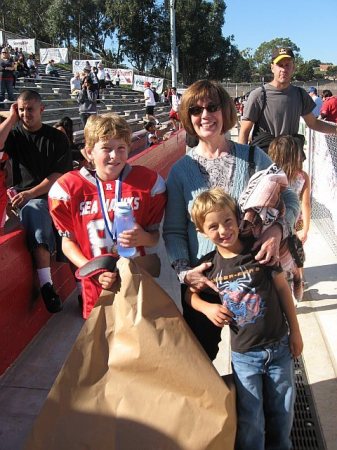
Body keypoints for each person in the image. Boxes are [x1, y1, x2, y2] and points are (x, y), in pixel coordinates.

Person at [163, 79, 299, 355]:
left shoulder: (252, 156)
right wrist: (185, 273)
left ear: (225, 110)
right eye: (195, 110)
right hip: (206, 277)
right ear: (187, 118)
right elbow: (174, 231)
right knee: (198, 358)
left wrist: (276, 232)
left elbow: (290, 198)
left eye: (212, 107)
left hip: (253, 269)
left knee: (266, 353)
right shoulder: (180, 171)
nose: (205, 116)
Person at [188, 187, 303, 450]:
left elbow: (283, 289)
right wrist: (207, 308)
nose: (223, 230)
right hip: (244, 357)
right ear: (202, 231)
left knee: (283, 413)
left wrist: (295, 332)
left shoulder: (259, 251)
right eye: (213, 226)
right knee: (251, 418)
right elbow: (191, 297)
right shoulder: (210, 266)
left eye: (228, 221)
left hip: (279, 347)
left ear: (238, 219)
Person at [48, 113, 167, 319]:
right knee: (102, 346)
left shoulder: (148, 182)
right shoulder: (68, 188)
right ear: (88, 152)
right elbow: (67, 243)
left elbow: (154, 237)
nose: (115, 155)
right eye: (106, 148)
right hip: (96, 285)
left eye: (121, 148)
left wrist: (143, 238)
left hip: (138, 280)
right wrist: (93, 270)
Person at [0, 91, 72, 313]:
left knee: (69, 228)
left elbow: (58, 175)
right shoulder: (15, 135)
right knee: (34, 212)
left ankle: (79, 286)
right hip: (27, 200)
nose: (25, 114)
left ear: (42, 109)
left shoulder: (57, 138)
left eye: (29, 109)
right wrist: (11, 119)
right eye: (21, 109)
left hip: (52, 196)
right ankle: (47, 285)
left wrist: (31, 192)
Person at [238, 47, 337, 152]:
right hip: (264, 161)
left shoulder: (300, 95)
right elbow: (244, 132)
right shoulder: (259, 95)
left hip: (291, 161)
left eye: (287, 65)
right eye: (280, 65)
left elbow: (313, 123)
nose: (283, 69)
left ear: (293, 68)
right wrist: (242, 165)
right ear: (272, 67)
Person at [269, 135, 311, 302]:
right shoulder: (303, 176)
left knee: (281, 256)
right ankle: (298, 278)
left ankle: (286, 285)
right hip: (296, 224)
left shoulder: (272, 177)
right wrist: (305, 229)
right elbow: (306, 203)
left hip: (276, 223)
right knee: (296, 253)